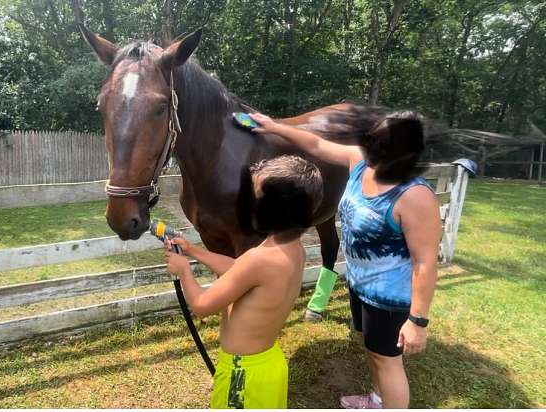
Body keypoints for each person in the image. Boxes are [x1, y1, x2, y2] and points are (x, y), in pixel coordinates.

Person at [249, 111, 441, 409]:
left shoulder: (414, 196)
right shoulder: (360, 163)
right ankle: (377, 399)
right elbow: (315, 144)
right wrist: (274, 127)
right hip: (359, 284)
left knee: (388, 361)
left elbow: (425, 262)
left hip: (390, 298)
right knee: (373, 350)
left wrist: (417, 321)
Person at [164, 155, 324, 409]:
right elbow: (239, 270)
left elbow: (203, 305)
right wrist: (193, 251)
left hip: (243, 372)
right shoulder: (290, 249)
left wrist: (184, 271)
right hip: (269, 365)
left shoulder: (260, 258)